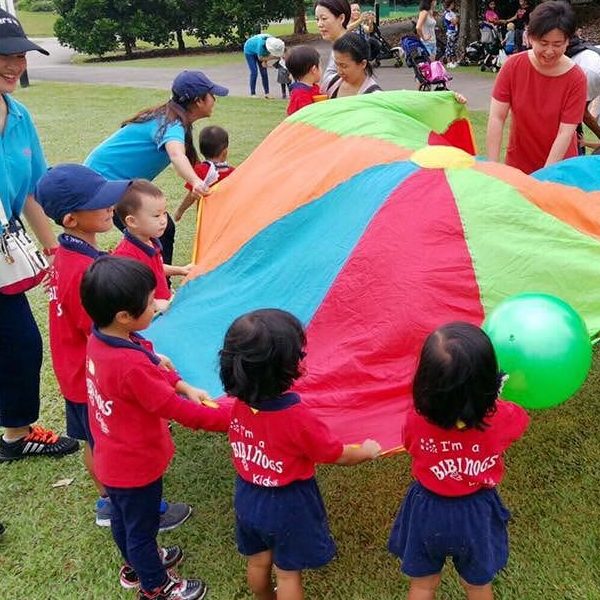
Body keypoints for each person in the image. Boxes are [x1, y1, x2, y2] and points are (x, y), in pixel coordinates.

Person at [36, 164, 191, 532]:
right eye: (101, 203)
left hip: (77, 370)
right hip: (88, 375)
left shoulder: (71, 254)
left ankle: (111, 499)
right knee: (104, 441)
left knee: (96, 436)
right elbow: (104, 332)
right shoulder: (81, 271)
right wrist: (148, 356)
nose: (112, 207)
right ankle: (117, 502)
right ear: (72, 219)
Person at [81, 255, 231, 600]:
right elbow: (182, 413)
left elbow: (152, 360)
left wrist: (181, 383)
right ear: (123, 316)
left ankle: (136, 566)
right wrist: (230, 417)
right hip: (135, 467)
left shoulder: (102, 339)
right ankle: (156, 587)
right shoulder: (130, 366)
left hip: (112, 458)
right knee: (141, 529)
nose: (157, 305)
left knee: (124, 521)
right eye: (150, 304)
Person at [220, 308, 381, 600]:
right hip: (287, 504)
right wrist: (366, 451)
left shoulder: (237, 406)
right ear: (288, 367)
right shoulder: (296, 417)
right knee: (287, 572)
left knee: (258, 561)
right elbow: (335, 453)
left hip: (248, 496)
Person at [388, 322, 530, 600]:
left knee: (422, 586)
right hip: (476, 513)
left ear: (425, 383)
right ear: (489, 381)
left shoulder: (415, 420)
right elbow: (520, 421)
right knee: (478, 587)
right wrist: (492, 404)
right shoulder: (501, 418)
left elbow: (409, 444)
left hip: (427, 509)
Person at [0, 9, 79, 462]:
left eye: (21, 55)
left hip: (4, 253)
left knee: (21, 344)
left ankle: (15, 434)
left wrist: (54, 249)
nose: (16, 64)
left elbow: (32, 190)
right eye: (5, 56)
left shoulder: (19, 113)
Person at [84, 70, 229, 266]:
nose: (215, 99)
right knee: (153, 230)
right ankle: (154, 283)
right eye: (212, 95)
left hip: (116, 181)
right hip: (103, 181)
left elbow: (188, 160)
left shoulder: (171, 118)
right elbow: (176, 154)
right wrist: (195, 182)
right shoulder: (171, 124)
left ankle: (157, 281)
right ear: (198, 101)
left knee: (161, 228)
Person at [486, 1, 587, 174]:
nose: (549, 51)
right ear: (530, 37)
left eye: (557, 44)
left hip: (559, 170)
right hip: (519, 165)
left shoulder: (576, 78)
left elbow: (565, 133)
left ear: (567, 41)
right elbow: (497, 117)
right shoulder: (513, 66)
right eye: (543, 43)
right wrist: (492, 168)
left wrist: (544, 178)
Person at [114, 180, 192, 312]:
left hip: (162, 308)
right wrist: (155, 304)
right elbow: (127, 294)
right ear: (132, 221)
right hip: (148, 319)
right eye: (156, 216)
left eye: (164, 213)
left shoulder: (149, 241)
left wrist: (181, 270)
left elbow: (155, 268)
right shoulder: (126, 256)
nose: (163, 220)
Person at [174, 125, 235, 222]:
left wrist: (179, 211)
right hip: (228, 218)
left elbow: (191, 196)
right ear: (225, 152)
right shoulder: (233, 173)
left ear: (202, 151)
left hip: (205, 219)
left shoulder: (200, 170)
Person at [326, 33, 382, 98]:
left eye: (344, 66)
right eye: (336, 64)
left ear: (363, 64)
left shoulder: (375, 96)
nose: (339, 72)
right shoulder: (331, 83)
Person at [315, 0, 352, 92]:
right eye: (317, 19)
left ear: (341, 18)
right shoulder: (337, 46)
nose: (319, 24)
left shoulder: (348, 48)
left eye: (324, 18)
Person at [243, 34, 285, 99]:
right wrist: (274, 57)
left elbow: (267, 52)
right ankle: (253, 93)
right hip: (249, 51)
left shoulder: (273, 42)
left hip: (259, 51)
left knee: (264, 72)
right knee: (254, 72)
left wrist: (265, 62)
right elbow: (260, 58)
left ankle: (267, 93)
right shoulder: (261, 45)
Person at [286, 45, 323, 115]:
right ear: (314, 70)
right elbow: (308, 116)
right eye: (320, 65)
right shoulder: (301, 95)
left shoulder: (312, 88)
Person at [443, 0, 459, 68]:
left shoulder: (452, 13)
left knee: (454, 47)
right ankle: (449, 62)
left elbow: (457, 21)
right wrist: (455, 20)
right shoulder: (447, 13)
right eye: (452, 4)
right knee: (450, 47)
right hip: (450, 32)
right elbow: (454, 21)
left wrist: (455, 20)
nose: (453, 5)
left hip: (455, 30)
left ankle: (454, 61)